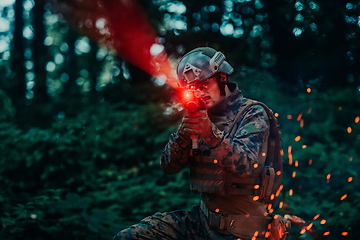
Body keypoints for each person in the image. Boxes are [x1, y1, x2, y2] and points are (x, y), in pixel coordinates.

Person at [114, 47, 289, 240]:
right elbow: (168, 166)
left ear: (222, 77)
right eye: (192, 88)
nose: (199, 92)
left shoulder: (252, 113)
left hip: (244, 231)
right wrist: (184, 134)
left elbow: (246, 165)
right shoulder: (199, 116)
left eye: (204, 84)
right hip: (202, 223)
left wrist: (209, 134)